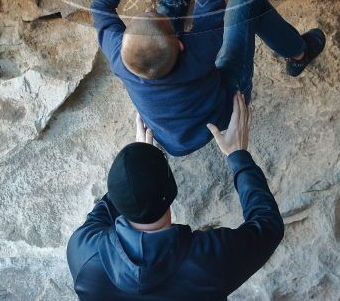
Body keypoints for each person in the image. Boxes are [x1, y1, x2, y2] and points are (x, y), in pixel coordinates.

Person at [91, 0, 326, 156]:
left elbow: (100, 8)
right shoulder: (201, 51)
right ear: (183, 44)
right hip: (222, 113)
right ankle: (298, 54)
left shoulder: (118, 55)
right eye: (151, 14)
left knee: (163, 23)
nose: (148, 10)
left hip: (175, 142)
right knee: (244, 0)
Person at [67, 92, 284, 299]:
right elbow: (268, 227)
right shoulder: (208, 261)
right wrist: (238, 156)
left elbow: (109, 205)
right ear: (172, 190)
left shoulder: (83, 254)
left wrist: (136, 170)